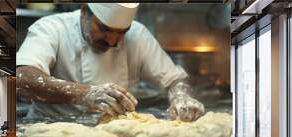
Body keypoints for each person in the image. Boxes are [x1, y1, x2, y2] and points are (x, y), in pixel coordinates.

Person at [16, 3, 205, 121]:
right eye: (104, 29)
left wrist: (181, 97)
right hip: (51, 128)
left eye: (122, 32)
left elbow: (175, 80)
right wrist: (85, 93)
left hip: (114, 133)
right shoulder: (52, 28)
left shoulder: (138, 35)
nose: (112, 40)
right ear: (84, 11)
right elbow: (22, 77)